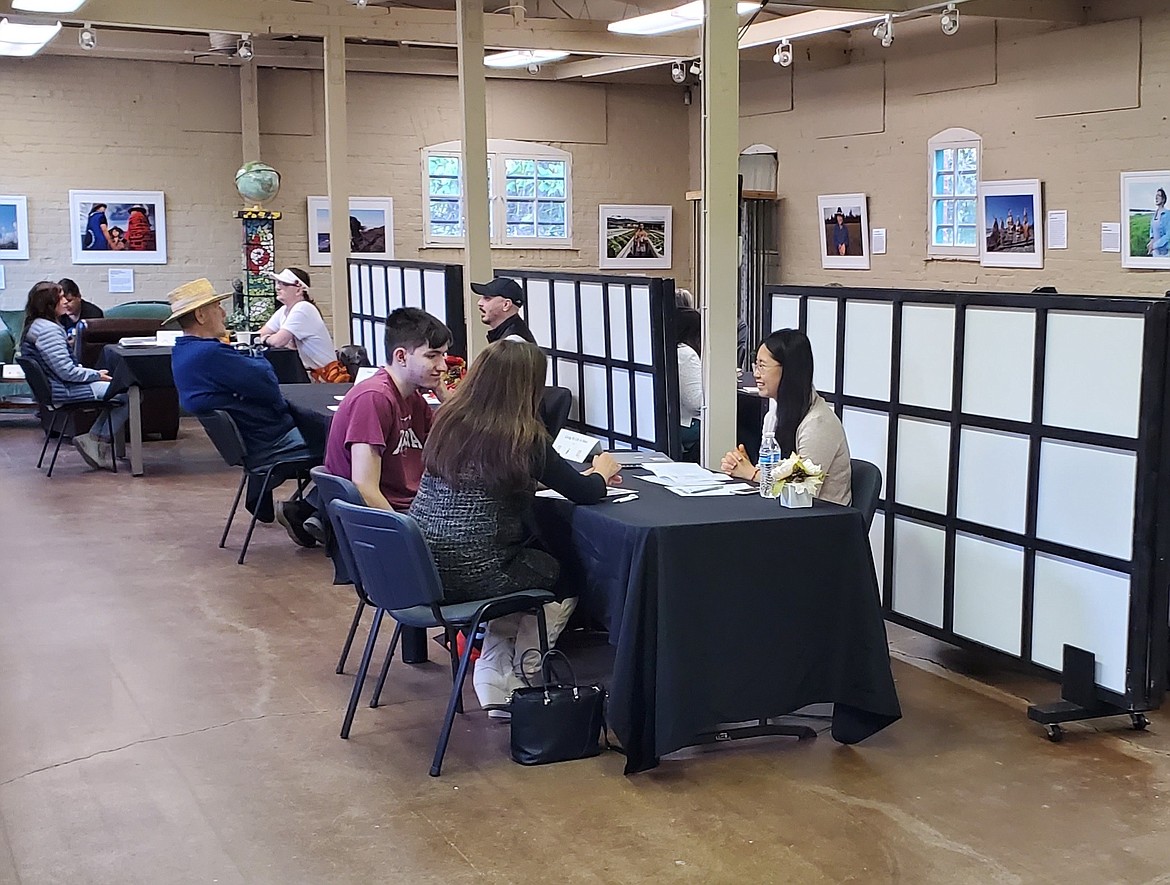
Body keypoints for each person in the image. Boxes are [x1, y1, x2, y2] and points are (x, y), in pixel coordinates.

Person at [408, 339, 622, 717]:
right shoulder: (523, 437)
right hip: (480, 571)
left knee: (526, 568)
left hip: (425, 566)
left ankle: (493, 672)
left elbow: (484, 480)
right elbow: (585, 493)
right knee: (567, 573)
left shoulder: (449, 422)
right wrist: (602, 471)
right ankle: (524, 671)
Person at [169, 278, 320, 545]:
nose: (224, 313)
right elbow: (268, 383)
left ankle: (291, 504)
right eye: (218, 307)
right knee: (347, 446)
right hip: (270, 442)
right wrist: (256, 357)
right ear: (201, 315)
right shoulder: (211, 355)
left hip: (251, 442)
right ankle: (307, 511)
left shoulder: (183, 353)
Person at [323, 307, 452, 512]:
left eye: (443, 356)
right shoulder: (374, 398)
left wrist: (445, 396)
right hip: (392, 516)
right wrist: (404, 535)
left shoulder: (414, 397)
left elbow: (457, 448)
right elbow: (365, 488)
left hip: (415, 506)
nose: (443, 366)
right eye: (432, 356)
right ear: (401, 356)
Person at [720, 329, 852, 505]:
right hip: (784, 511)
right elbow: (767, 474)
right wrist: (742, 465)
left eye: (762, 366)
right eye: (755, 365)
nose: (756, 374)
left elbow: (803, 490)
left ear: (788, 370)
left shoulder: (818, 424)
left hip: (823, 519)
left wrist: (751, 473)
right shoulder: (773, 416)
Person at [20, 281, 129, 470]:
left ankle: (94, 439)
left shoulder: (35, 326)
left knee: (123, 392)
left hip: (56, 388)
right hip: (63, 391)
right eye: (60, 297)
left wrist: (93, 374)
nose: (65, 301)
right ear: (49, 304)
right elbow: (67, 371)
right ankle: (96, 441)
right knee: (129, 393)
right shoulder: (48, 330)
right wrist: (96, 375)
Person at [257, 268, 347, 382]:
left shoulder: (303, 308)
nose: (277, 287)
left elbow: (278, 341)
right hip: (308, 375)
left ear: (299, 290)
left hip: (325, 379)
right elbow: (259, 334)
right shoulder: (285, 310)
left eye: (284, 283)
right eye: (278, 283)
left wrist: (264, 339)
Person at [472, 276, 536, 344]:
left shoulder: (514, 342)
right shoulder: (511, 335)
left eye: (487, 298)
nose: (479, 303)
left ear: (506, 305)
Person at [676, 308, 703, 461]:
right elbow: (695, 402)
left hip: (674, 421)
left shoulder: (670, 349)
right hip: (687, 424)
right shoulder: (686, 354)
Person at [1148, 188, 1169, 258]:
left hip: (1165, 253)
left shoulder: (1167, 214)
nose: (1156, 198)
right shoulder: (1155, 214)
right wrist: (1151, 242)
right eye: (1155, 196)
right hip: (1155, 252)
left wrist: (1154, 245)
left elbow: (1168, 235)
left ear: (1163, 199)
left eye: (1159, 195)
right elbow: (1152, 231)